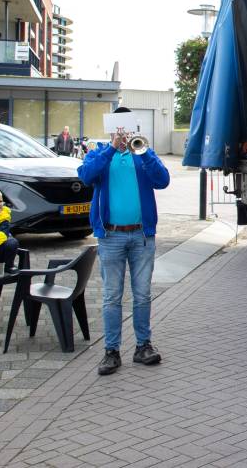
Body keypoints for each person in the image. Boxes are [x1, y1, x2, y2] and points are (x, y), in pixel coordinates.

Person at [77, 107, 171, 376]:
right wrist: (111, 149)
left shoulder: (142, 154)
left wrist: (146, 152)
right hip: (111, 236)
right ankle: (111, 351)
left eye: (127, 129)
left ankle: (143, 346)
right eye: (118, 129)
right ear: (111, 129)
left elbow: (162, 181)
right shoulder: (99, 153)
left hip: (141, 235)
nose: (123, 134)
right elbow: (85, 176)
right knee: (111, 297)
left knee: (142, 295)